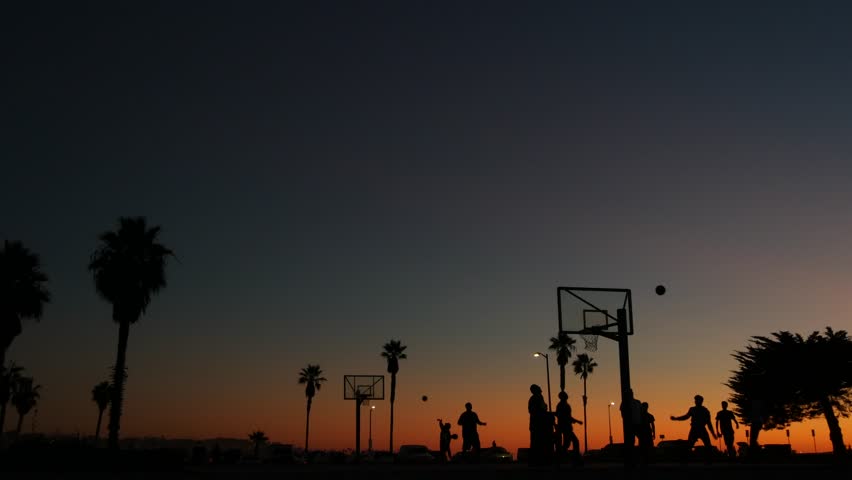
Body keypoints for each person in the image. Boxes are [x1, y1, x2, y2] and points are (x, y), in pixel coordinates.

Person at [671, 394, 717, 461]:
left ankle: (708, 460)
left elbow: (709, 423)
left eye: (697, 400)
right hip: (694, 429)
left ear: (701, 401)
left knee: (708, 446)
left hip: (701, 429)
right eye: (695, 400)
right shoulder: (692, 409)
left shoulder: (705, 410)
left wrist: (713, 433)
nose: (695, 401)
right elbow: (686, 417)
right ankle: (685, 460)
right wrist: (676, 418)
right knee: (689, 445)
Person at [527, 384, 553, 466]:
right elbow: (537, 410)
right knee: (536, 442)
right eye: (538, 389)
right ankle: (536, 460)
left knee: (539, 442)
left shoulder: (538, 398)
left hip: (539, 424)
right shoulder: (535, 398)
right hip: (537, 424)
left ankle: (539, 460)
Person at [555, 391, 583, 464]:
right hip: (565, 427)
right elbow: (565, 416)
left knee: (567, 444)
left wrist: (576, 421)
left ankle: (561, 458)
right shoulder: (561, 405)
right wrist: (576, 421)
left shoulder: (565, 405)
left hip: (567, 426)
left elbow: (568, 416)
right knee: (574, 441)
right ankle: (575, 458)